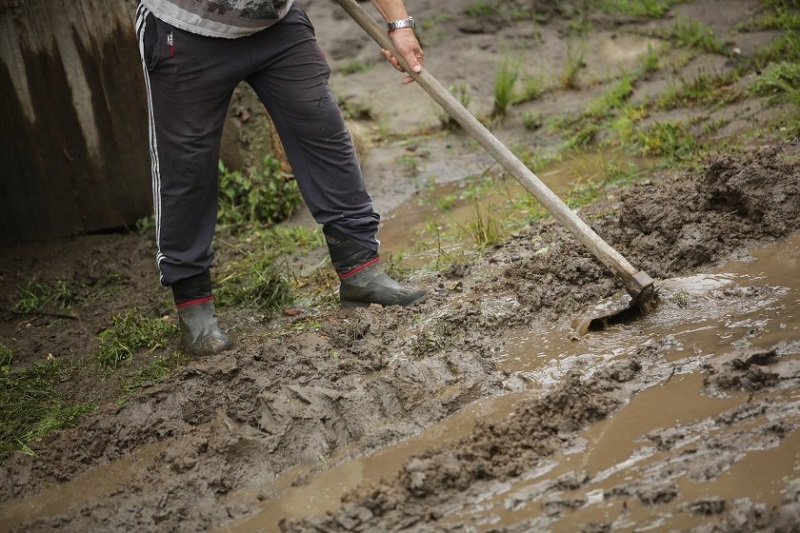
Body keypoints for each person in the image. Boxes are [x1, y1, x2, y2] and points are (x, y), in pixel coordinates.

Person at [134, 0, 426, 356]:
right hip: (186, 30)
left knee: (322, 130)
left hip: (275, 26)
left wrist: (399, 25)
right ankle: (193, 306)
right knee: (186, 168)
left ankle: (361, 272)